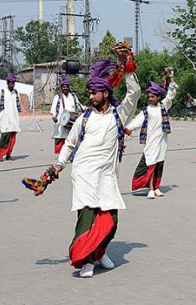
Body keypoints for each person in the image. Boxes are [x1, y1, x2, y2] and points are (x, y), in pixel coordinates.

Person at [51, 58, 140, 278]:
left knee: (110, 220)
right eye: (89, 93)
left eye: (93, 93)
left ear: (106, 94)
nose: (90, 97)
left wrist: (128, 69)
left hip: (107, 177)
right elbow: (70, 144)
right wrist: (59, 163)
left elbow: (134, 94)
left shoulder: (118, 116)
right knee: (88, 218)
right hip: (83, 176)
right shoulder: (84, 118)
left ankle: (100, 253)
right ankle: (86, 261)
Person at [126, 76, 178, 199]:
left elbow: (170, 96)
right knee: (151, 163)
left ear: (158, 97)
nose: (150, 99)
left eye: (152, 97)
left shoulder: (163, 106)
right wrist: (128, 128)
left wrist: (172, 82)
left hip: (162, 140)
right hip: (151, 140)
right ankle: (150, 188)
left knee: (159, 162)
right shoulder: (146, 110)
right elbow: (137, 121)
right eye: (149, 97)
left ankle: (157, 187)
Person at [50, 74, 83, 154]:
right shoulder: (58, 97)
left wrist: (85, 109)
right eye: (64, 87)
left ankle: (70, 153)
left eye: (67, 86)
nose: (65, 88)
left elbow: (79, 105)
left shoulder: (73, 96)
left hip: (72, 120)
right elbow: (54, 108)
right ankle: (60, 155)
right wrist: (53, 116)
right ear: (61, 88)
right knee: (61, 137)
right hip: (61, 120)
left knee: (71, 137)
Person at [0, 73, 22, 162]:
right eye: (10, 82)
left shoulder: (16, 92)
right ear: (7, 83)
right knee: (5, 136)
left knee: (12, 137)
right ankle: (1, 154)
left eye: (13, 83)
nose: (12, 84)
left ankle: (9, 154)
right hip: (5, 117)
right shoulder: (3, 91)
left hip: (14, 117)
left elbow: (18, 105)